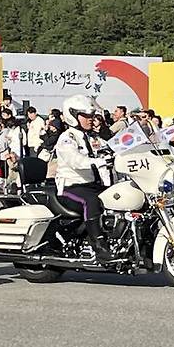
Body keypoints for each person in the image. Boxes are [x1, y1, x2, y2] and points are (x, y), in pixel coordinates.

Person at [56, 95, 114, 261]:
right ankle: (99, 245)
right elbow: (76, 160)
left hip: (93, 185)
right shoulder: (67, 138)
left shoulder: (93, 138)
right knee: (91, 201)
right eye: (86, 116)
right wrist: (100, 161)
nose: (90, 119)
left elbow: (111, 148)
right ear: (73, 116)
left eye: (91, 116)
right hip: (71, 187)